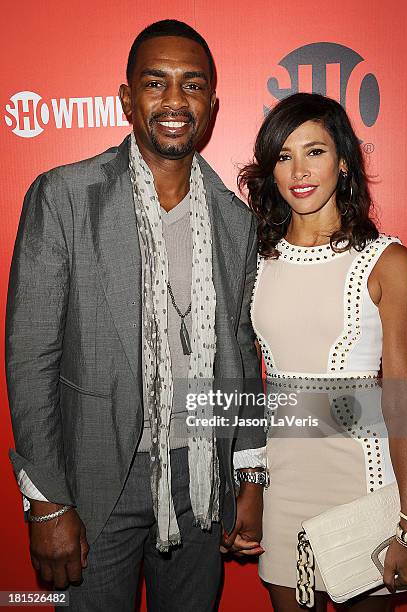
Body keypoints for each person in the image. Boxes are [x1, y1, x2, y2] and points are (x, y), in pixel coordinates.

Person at [6, 20, 267, 612]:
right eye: (156, 83)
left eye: (192, 85)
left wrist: (249, 474)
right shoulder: (65, 197)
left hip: (200, 480)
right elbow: (30, 359)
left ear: (212, 104)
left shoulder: (235, 220)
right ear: (127, 98)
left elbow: (242, 360)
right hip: (98, 480)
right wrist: (45, 501)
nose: (175, 101)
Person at [238, 92, 407, 611]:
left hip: (362, 483)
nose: (299, 170)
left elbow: (404, 401)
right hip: (282, 486)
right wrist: (249, 487)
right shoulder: (253, 262)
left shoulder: (388, 262)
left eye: (315, 152)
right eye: (283, 155)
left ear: (343, 161)